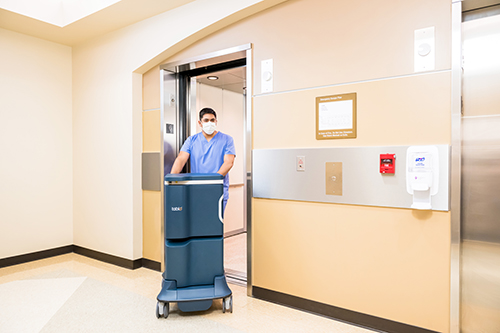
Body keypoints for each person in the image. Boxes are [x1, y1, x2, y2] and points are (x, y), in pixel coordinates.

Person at [170, 107, 235, 211]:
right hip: (196, 188)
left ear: (216, 122)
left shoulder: (227, 139)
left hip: (217, 189)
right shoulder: (192, 140)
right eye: (206, 120)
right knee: (198, 223)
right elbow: (181, 159)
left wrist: (213, 181)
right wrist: (171, 181)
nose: (209, 123)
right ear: (200, 123)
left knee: (214, 224)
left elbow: (229, 162)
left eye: (212, 120)